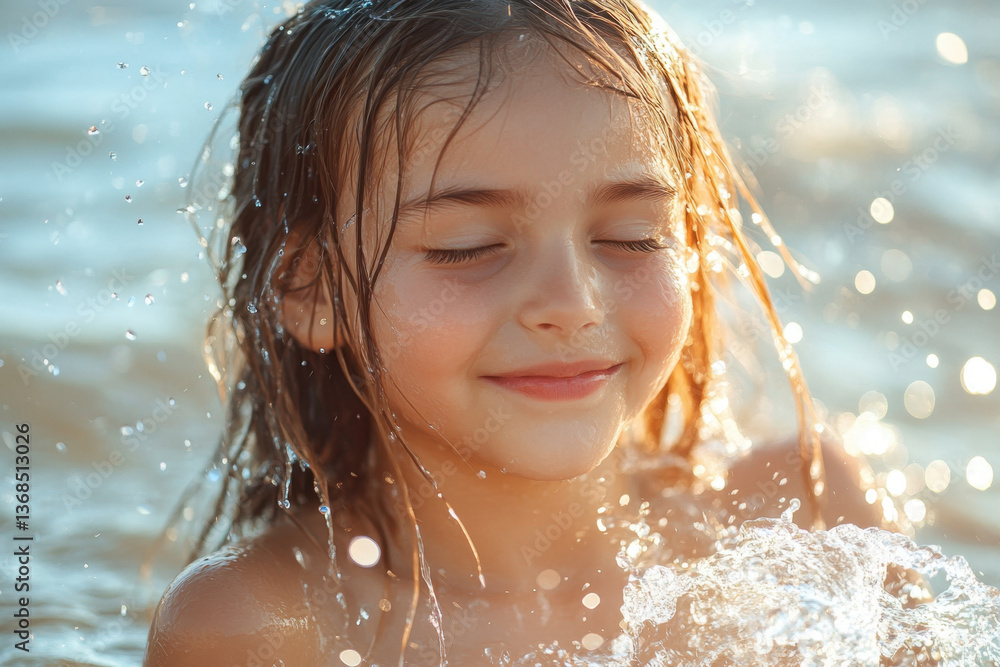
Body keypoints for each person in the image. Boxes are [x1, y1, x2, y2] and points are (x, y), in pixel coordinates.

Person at [142, 1, 885, 664]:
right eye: (466, 245)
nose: (572, 303)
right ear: (310, 287)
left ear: (690, 248)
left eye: (631, 236)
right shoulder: (264, 627)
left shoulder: (805, 518)